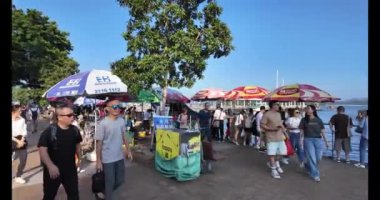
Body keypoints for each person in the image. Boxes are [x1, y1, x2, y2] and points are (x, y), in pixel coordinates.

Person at [38, 104, 82, 200]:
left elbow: (78, 146)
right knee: (49, 196)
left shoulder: (75, 130)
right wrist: (50, 166)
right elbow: (42, 150)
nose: (72, 117)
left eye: (73, 114)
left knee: (74, 196)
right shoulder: (49, 131)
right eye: (69, 115)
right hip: (54, 171)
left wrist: (79, 160)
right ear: (59, 117)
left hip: (70, 170)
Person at [95, 99, 133, 200]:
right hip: (107, 159)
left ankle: (104, 192)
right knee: (110, 182)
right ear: (107, 109)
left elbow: (125, 136)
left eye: (119, 106)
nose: (118, 109)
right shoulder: (102, 124)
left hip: (119, 157)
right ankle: (108, 195)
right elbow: (99, 143)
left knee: (120, 180)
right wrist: (98, 161)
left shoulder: (121, 121)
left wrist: (128, 151)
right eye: (115, 107)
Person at [299, 105, 329, 182]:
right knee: (312, 157)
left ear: (313, 110)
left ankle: (307, 166)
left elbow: (322, 131)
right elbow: (301, 131)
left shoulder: (318, 120)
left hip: (318, 140)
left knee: (318, 158)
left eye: (308, 109)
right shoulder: (303, 120)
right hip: (308, 140)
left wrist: (326, 142)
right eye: (306, 109)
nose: (307, 110)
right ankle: (315, 175)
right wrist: (300, 140)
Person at [260, 101, 287, 179]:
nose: (279, 106)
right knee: (272, 154)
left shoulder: (278, 114)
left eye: (279, 104)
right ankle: (273, 170)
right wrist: (271, 129)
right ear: (273, 106)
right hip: (271, 137)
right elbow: (262, 125)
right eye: (277, 104)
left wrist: (285, 132)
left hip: (280, 136)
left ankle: (275, 163)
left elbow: (280, 124)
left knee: (282, 153)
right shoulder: (266, 114)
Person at [12, 102, 28, 184]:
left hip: (21, 139)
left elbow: (24, 131)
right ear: (13, 111)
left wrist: (22, 140)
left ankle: (18, 176)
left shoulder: (22, 119)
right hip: (13, 139)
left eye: (21, 111)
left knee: (23, 159)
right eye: (19, 111)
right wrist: (17, 141)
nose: (21, 112)